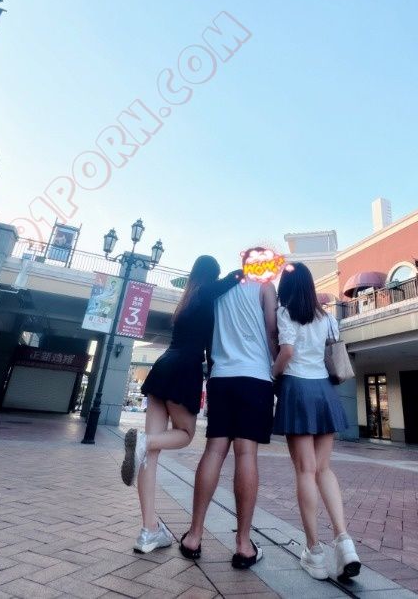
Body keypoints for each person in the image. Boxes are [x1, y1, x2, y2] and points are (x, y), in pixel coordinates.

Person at [120, 255, 242, 553]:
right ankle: (144, 441)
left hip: (163, 366)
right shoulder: (208, 292)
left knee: (149, 455)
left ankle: (149, 531)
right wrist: (251, 268)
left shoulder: (187, 299)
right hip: (185, 368)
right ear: (212, 274)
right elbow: (236, 277)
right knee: (185, 434)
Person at [180, 248, 278, 569]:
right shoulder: (265, 287)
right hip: (255, 377)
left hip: (221, 377)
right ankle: (243, 545)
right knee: (246, 454)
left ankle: (194, 536)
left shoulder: (219, 291)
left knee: (213, 451)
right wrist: (275, 363)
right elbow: (272, 329)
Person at [272, 262, 361, 581]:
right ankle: (344, 541)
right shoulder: (327, 317)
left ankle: (314, 551)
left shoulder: (285, 313)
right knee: (324, 469)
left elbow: (286, 352)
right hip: (324, 390)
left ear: (286, 287)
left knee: (305, 471)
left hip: (297, 389)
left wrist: (272, 374)